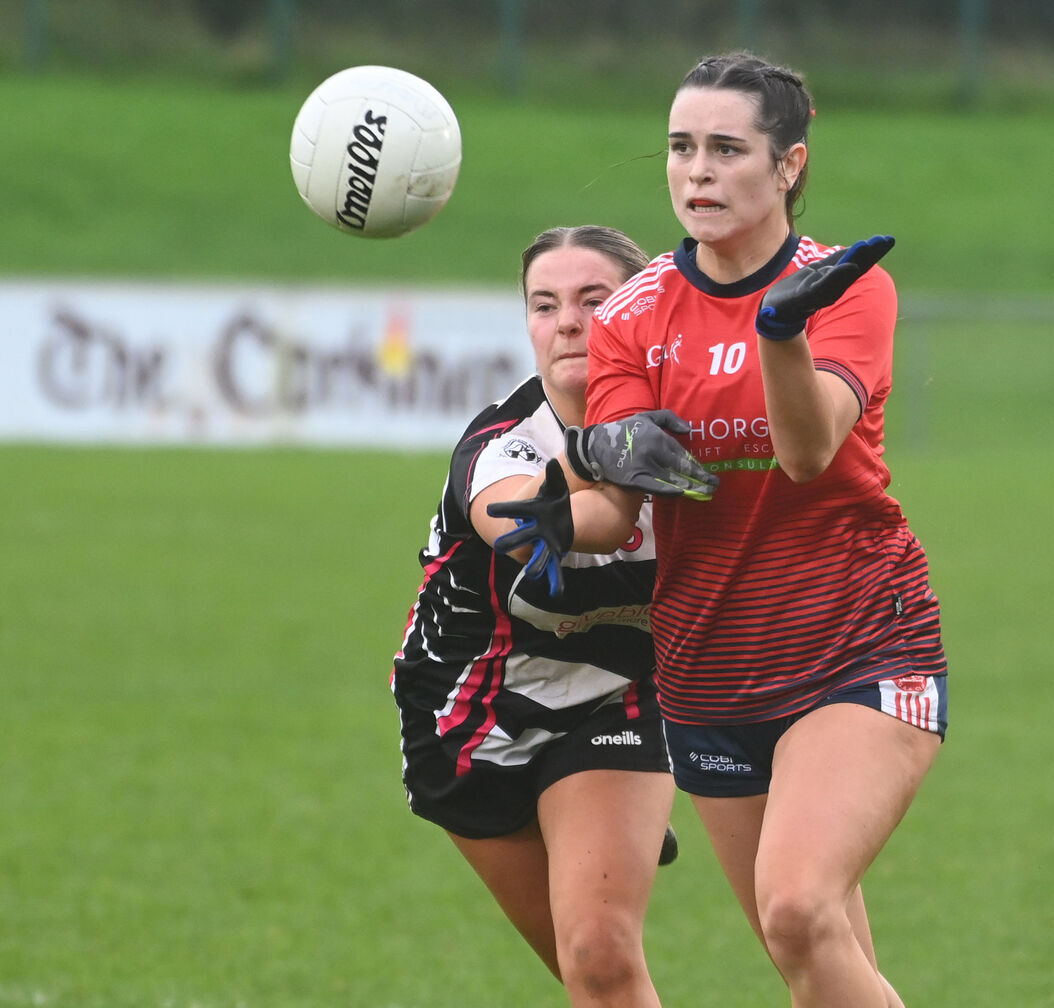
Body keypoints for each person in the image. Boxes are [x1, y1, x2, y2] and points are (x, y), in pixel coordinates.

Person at [493, 53, 948, 1008]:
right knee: (815, 951)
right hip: (711, 666)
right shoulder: (633, 316)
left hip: (857, 637)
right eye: (681, 147)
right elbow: (619, 506)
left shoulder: (846, 289)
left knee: (795, 907)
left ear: (788, 166)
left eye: (726, 149)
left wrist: (781, 332)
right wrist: (557, 514)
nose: (696, 171)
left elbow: (809, 452)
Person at [391, 225, 714, 1008]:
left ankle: (605, 811)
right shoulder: (500, 445)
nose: (566, 320)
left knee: (601, 957)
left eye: (592, 300)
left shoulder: (693, 430)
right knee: (583, 977)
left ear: (644, 310)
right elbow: (526, 521)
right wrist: (595, 457)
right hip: (470, 719)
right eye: (544, 304)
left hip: (617, 699)